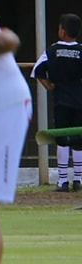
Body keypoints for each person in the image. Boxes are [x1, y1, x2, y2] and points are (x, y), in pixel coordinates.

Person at [33, 14, 82, 192]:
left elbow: (37, 71)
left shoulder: (52, 51)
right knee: (78, 139)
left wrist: (50, 86)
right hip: (79, 101)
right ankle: (78, 179)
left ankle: (62, 181)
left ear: (62, 30)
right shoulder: (81, 51)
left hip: (61, 101)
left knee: (61, 139)